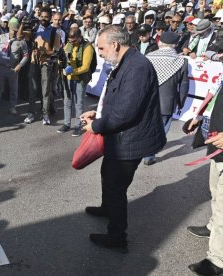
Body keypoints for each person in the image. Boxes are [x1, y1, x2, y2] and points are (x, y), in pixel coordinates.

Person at [81, 25, 166, 252]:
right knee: (107, 176)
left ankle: (117, 237)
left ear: (115, 45)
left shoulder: (137, 67)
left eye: (101, 48)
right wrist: (96, 113)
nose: (99, 52)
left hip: (130, 140)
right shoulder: (125, 61)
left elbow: (125, 112)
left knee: (116, 187)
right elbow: (115, 99)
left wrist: (96, 126)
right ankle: (106, 208)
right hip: (119, 138)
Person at [186, 75, 223, 276]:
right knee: (216, 193)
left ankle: (218, 260)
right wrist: (203, 118)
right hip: (217, 148)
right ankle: (214, 227)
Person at [143, 32, 189, 165]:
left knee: (147, 126)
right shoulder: (181, 61)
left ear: (159, 43)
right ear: (175, 45)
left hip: (146, 100)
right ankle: (149, 154)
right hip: (167, 103)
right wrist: (180, 102)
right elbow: (184, 85)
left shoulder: (148, 58)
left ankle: (144, 150)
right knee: (161, 129)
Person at [24, 7, 62, 125]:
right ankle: (31, 113)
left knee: (45, 91)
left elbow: (56, 51)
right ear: (39, 16)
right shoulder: (35, 29)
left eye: (46, 17)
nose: (44, 19)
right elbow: (22, 37)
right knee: (32, 90)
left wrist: (44, 52)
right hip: (33, 63)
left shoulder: (55, 32)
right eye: (42, 16)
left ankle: (45, 114)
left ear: (50, 18)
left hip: (46, 64)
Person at [58, 29, 94, 137]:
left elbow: (86, 67)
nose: (72, 43)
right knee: (67, 101)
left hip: (80, 78)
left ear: (79, 37)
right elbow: (63, 57)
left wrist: (72, 71)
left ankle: (78, 125)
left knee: (79, 103)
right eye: (70, 41)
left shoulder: (87, 47)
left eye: (74, 41)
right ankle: (66, 124)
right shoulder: (69, 44)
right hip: (68, 78)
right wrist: (60, 61)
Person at [0, 20, 28, 115]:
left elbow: (26, 55)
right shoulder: (1, 37)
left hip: (13, 68)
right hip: (1, 67)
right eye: (13, 29)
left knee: (14, 89)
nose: (14, 32)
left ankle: (12, 107)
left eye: (16, 30)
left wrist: (20, 65)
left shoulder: (21, 41)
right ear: (9, 28)